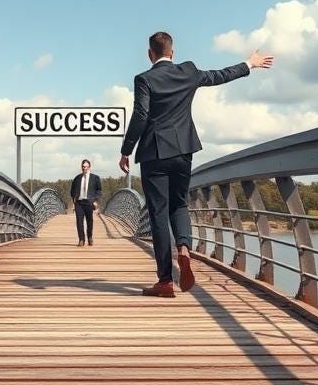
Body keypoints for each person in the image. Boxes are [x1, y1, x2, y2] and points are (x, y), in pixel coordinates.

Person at [119, 31, 273, 297]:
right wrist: (249, 63)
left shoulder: (144, 79)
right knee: (179, 205)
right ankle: (184, 249)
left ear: (149, 54)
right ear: (172, 52)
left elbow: (141, 115)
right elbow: (218, 75)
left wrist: (126, 150)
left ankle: (165, 281)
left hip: (154, 152)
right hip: (184, 150)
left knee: (158, 213)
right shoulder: (188, 71)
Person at [69, 159, 102, 246]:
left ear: (89, 167)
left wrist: (95, 200)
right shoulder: (77, 178)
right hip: (79, 203)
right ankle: (81, 239)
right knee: (79, 221)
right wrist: (74, 201)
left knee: (89, 221)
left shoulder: (95, 178)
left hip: (89, 202)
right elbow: (72, 191)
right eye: (83, 167)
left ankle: (90, 237)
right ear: (81, 167)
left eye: (86, 167)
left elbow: (99, 190)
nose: (85, 168)